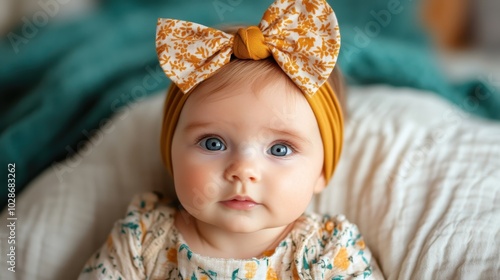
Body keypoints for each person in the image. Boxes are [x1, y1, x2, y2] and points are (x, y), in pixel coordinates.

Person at [79, 0, 383, 278]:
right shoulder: (142, 239)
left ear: (321, 170)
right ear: (171, 152)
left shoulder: (328, 253)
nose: (242, 169)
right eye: (213, 143)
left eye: (279, 149)